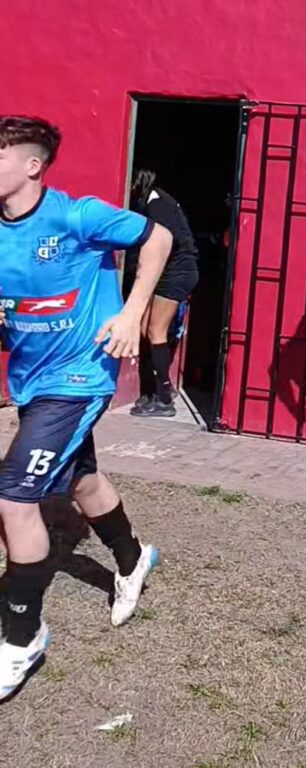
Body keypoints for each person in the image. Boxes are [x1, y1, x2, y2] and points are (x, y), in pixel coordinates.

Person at [0, 115, 172, 700]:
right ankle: (132, 558)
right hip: (32, 380)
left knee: (15, 496)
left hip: (80, 377)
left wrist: (131, 314)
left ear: (33, 166)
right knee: (80, 479)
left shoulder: (77, 215)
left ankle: (22, 637)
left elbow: (159, 239)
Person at [124, 169, 199, 418]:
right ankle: (152, 391)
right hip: (167, 271)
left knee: (156, 331)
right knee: (145, 330)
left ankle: (164, 399)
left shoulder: (157, 203)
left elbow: (167, 240)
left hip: (176, 271)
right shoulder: (154, 200)